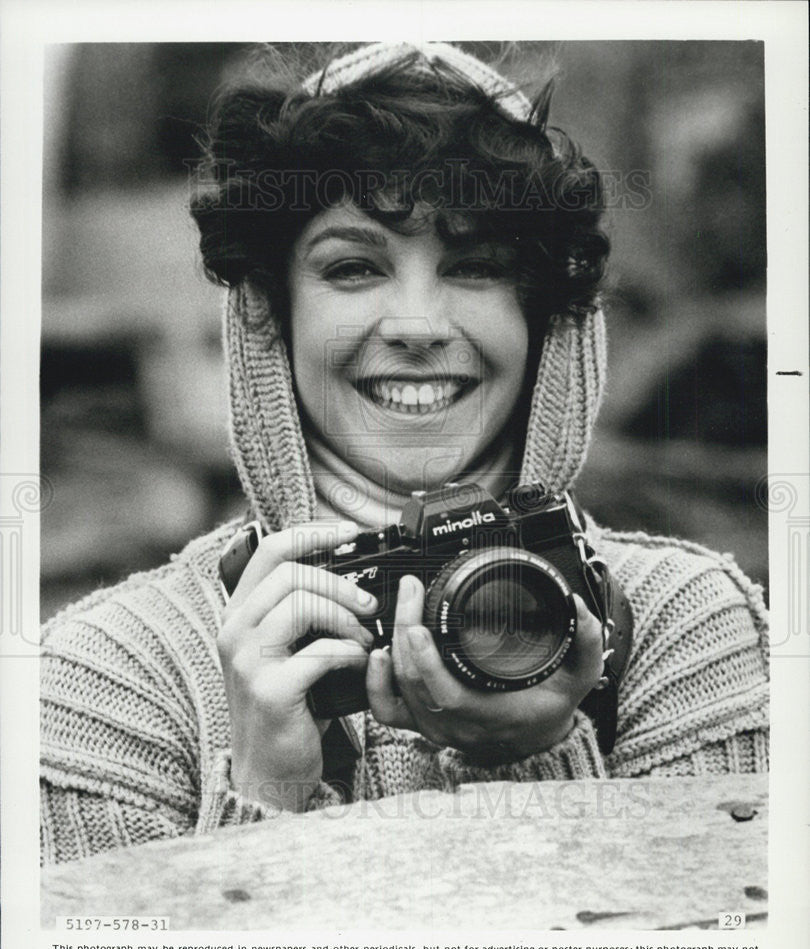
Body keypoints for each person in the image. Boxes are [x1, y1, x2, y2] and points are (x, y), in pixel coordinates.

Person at [40, 41, 769, 863]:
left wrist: (532, 760)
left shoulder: (684, 627)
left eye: (477, 264)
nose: (417, 325)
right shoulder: (105, 678)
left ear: (549, 325)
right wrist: (264, 801)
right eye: (353, 268)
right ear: (270, 321)